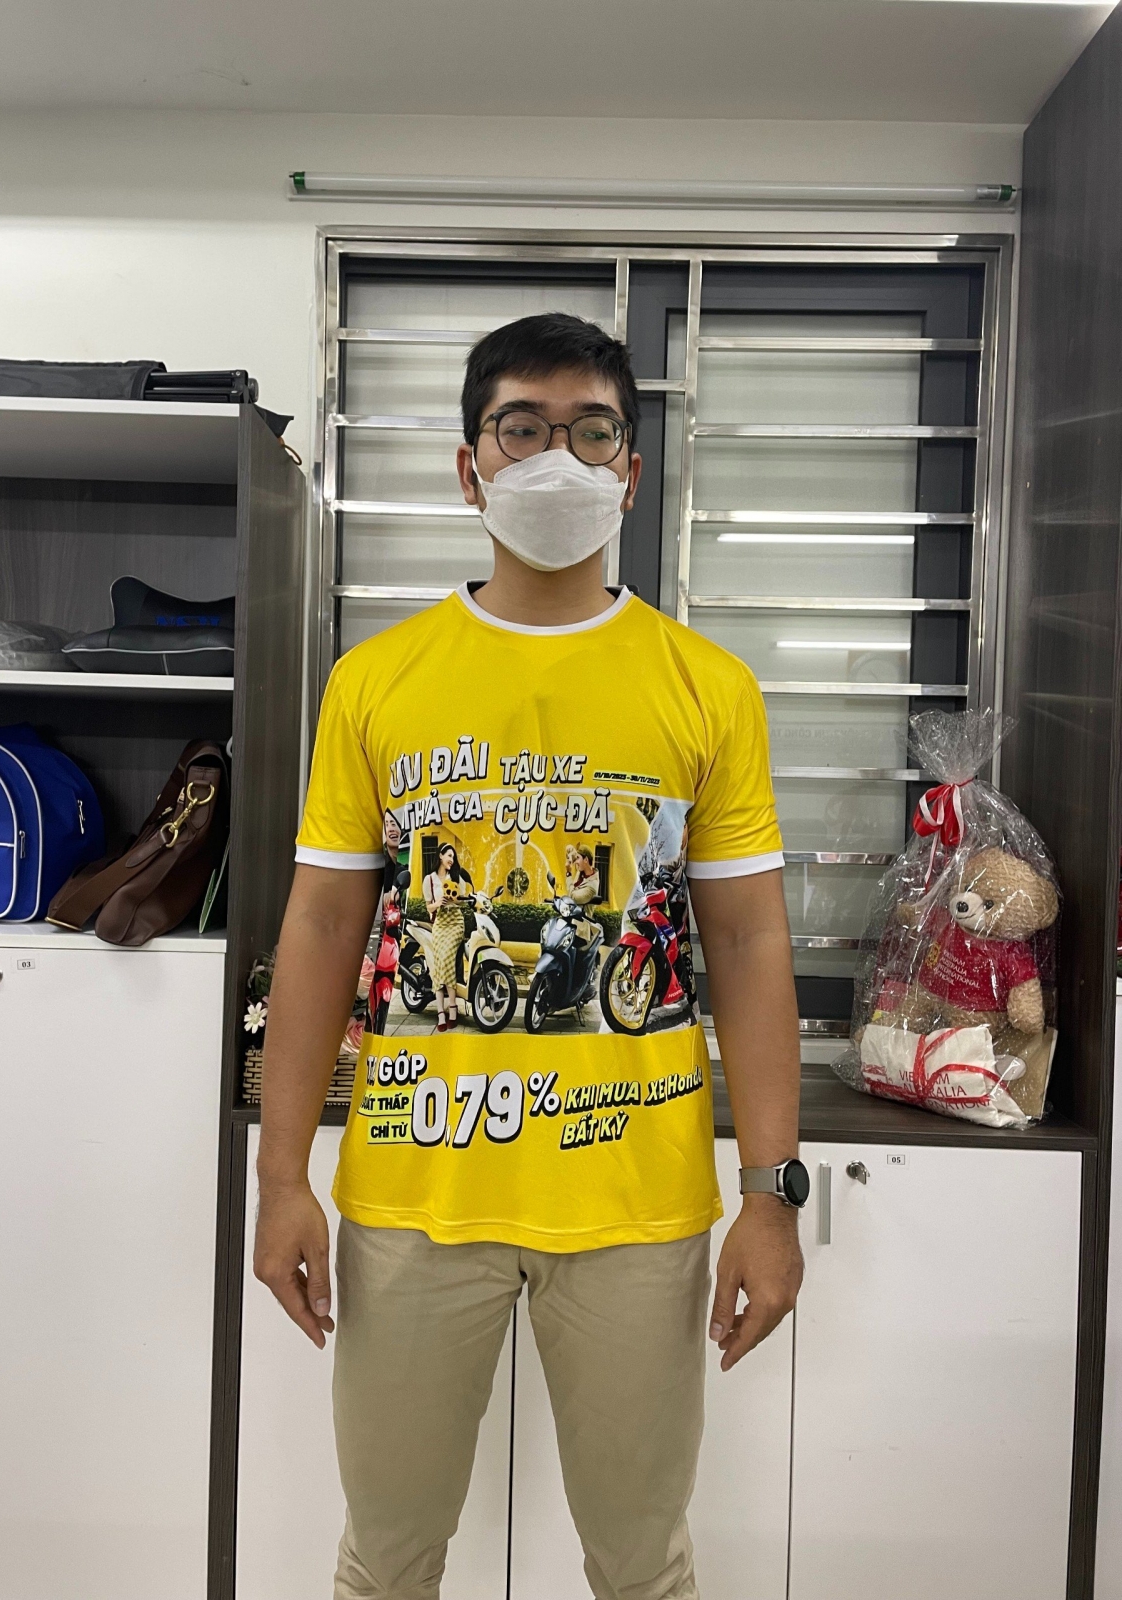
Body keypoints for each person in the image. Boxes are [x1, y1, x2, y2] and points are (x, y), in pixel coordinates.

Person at [255, 311, 804, 1600]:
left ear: (630, 469)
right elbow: (323, 926)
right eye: (522, 426)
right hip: (412, 1198)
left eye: (591, 429)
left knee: (641, 1564)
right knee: (387, 1559)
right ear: (470, 465)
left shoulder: (707, 685)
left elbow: (746, 938)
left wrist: (772, 1195)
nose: (557, 455)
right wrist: (281, 1178)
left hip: (638, 1206)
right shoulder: (376, 680)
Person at [421, 842, 471, 1031]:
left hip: (455, 922)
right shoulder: (429, 880)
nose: (452, 859)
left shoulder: (457, 877)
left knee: (447, 959)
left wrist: (454, 900)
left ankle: (452, 1008)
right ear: (440, 855)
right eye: (449, 855)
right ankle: (441, 1012)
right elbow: (428, 907)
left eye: (453, 857)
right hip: (440, 923)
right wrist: (438, 903)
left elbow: (463, 902)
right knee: (439, 963)